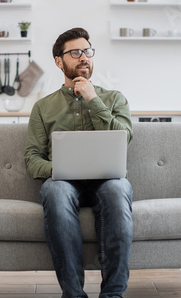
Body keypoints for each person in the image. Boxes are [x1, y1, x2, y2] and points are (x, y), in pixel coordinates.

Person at [24, 27, 133, 298]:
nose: (84, 57)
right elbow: (32, 158)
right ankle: (73, 295)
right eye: (75, 52)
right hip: (64, 183)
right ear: (59, 62)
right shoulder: (43, 107)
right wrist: (57, 168)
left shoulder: (114, 99)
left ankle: (113, 295)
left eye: (87, 51)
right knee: (53, 189)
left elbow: (124, 137)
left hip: (107, 181)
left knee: (118, 189)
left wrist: (92, 99)